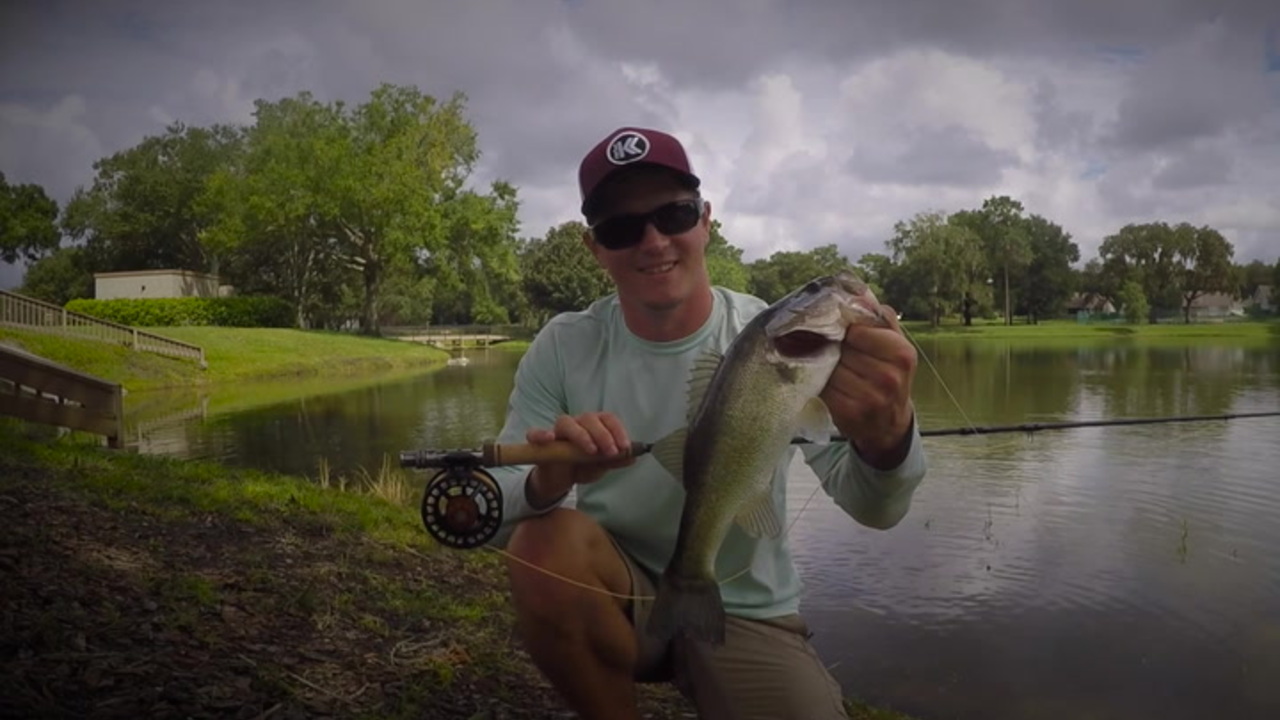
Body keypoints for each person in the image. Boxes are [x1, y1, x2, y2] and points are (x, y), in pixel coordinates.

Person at [485, 126, 927, 720]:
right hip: (618, 595)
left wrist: (886, 438)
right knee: (542, 543)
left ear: (705, 221)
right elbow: (497, 515)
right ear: (596, 248)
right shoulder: (564, 346)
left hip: (746, 605)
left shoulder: (779, 341)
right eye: (621, 228)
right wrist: (550, 477)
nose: (653, 241)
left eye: (674, 214)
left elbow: (876, 510)